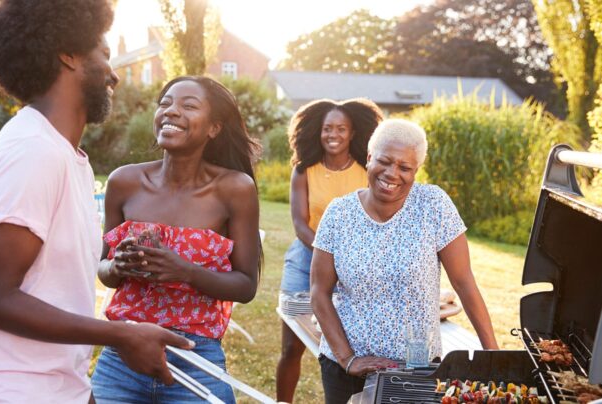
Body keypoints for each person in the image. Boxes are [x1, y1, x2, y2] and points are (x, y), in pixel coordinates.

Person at [0, 1, 193, 402]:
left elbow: (52, 289)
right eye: (104, 54)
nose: (113, 74)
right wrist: (121, 335)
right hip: (0, 392)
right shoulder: (32, 151)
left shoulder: (66, 157)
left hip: (50, 388)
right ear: (68, 54)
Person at [91, 76, 262, 403]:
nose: (170, 111)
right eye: (165, 103)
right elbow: (104, 271)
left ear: (214, 128)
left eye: (189, 105)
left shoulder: (235, 188)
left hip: (195, 356)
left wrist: (185, 271)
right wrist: (117, 266)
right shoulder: (124, 181)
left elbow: (245, 286)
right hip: (124, 354)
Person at [310, 119, 499, 404]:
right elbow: (318, 292)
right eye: (384, 161)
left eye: (404, 167)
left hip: (417, 365)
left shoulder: (433, 205)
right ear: (370, 157)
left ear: (415, 171)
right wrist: (348, 359)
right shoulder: (338, 214)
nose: (392, 173)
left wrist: (493, 356)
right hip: (346, 371)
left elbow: (464, 283)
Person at [276, 99, 382, 403]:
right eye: (327, 128)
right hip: (305, 261)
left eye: (341, 128)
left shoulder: (366, 171)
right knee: (291, 347)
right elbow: (300, 223)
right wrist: (330, 256)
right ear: (318, 132)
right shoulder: (303, 170)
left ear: (352, 133)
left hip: (355, 265)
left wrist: (349, 260)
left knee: (348, 348)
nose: (333, 134)